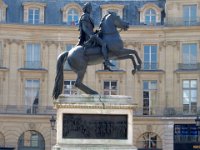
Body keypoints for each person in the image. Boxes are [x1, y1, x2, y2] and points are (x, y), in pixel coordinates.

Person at [77, 2, 114, 70]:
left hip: (91, 35)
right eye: (89, 8)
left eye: (90, 8)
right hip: (88, 37)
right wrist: (91, 35)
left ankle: (105, 63)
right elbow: (84, 28)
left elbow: (90, 28)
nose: (91, 9)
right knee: (103, 44)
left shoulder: (88, 16)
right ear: (87, 9)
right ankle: (106, 62)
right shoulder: (85, 16)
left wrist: (95, 32)